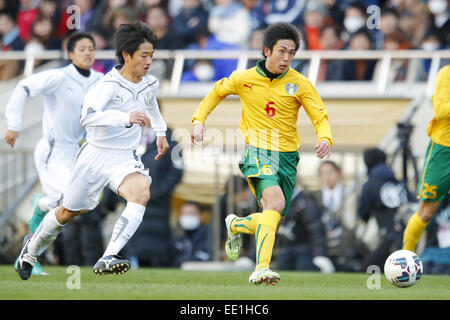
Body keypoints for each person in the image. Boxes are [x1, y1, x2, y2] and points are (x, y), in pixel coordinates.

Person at [15, 21, 170, 281]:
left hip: (124, 158)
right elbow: (87, 119)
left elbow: (150, 101)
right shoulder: (106, 85)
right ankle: (30, 251)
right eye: (144, 55)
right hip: (95, 156)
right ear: (126, 55)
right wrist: (124, 117)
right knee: (67, 212)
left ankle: (108, 256)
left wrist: (161, 132)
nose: (149, 61)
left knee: (140, 193)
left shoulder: (149, 82)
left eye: (152, 55)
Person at [191, 22, 333, 285]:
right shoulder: (244, 79)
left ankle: (235, 225)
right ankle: (262, 268)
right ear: (267, 50)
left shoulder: (300, 84)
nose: (286, 58)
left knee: (272, 215)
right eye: (281, 51)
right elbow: (216, 92)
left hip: (288, 158)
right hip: (257, 151)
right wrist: (198, 120)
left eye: (291, 53)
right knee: (275, 204)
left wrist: (325, 137)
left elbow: (319, 115)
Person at [4, 32, 103, 275]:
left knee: (79, 207)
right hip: (52, 150)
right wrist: (14, 123)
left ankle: (40, 209)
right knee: (66, 203)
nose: (88, 52)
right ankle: (29, 256)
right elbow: (24, 87)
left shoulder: (100, 80)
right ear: (70, 54)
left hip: (76, 152)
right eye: (82, 49)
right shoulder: (58, 77)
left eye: (90, 48)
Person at [402, 64, 450, 253]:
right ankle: (405, 255)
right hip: (443, 150)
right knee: (426, 212)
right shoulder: (446, 74)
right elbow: (440, 109)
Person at [276, 185, 335, 274]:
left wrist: (320, 254)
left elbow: (315, 229)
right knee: (282, 267)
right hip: (286, 249)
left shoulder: (305, 200)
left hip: (305, 249)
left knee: (305, 268)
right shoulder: (278, 201)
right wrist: (254, 257)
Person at [173, 201, 213, 267]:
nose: (187, 217)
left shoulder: (209, 234)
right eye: (183, 214)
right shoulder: (176, 234)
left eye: (191, 213)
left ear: (201, 215)